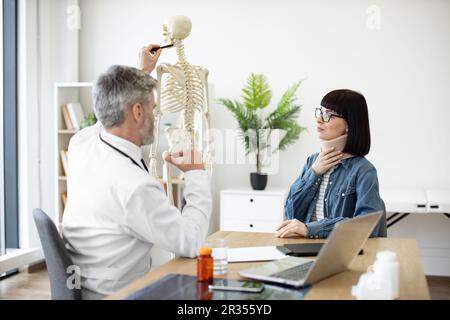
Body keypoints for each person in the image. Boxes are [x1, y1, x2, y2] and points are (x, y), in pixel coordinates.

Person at [62, 44, 212, 299]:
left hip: (87, 285)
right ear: (138, 111)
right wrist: (197, 174)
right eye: (153, 108)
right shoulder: (135, 187)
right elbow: (192, 242)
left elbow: (106, 117)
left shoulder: (80, 144)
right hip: (124, 294)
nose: (156, 114)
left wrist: (142, 72)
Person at [276, 89, 383, 239]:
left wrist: (310, 229)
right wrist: (314, 173)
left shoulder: (363, 170)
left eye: (329, 115)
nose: (319, 119)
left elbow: (367, 226)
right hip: (303, 246)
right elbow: (291, 214)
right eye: (320, 112)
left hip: (338, 250)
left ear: (349, 125)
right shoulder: (312, 162)